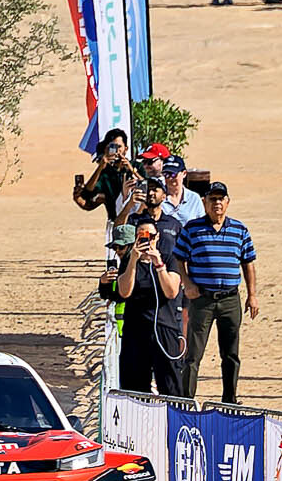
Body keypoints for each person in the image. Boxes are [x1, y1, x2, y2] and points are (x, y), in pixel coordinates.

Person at [178, 181, 259, 403]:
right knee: (193, 354)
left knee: (231, 354)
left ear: (228, 202)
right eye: (212, 199)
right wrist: (187, 283)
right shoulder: (192, 229)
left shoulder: (239, 230)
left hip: (230, 299)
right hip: (202, 300)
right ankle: (186, 400)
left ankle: (229, 400)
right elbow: (178, 258)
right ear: (205, 202)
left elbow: (248, 263)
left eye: (221, 199)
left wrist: (252, 295)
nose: (217, 203)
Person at [106, 201, 188, 397]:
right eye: (141, 237)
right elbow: (124, 292)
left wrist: (158, 265)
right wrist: (134, 260)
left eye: (150, 237)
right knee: (134, 387)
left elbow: (171, 292)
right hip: (136, 329)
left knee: (170, 385)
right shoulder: (129, 261)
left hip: (163, 327)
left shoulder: (168, 258)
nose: (146, 241)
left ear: (157, 237)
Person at [72, 127, 136, 237]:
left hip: (137, 223)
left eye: (119, 147)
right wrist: (101, 167)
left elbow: (146, 186)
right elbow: (88, 194)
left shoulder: (136, 167)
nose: (116, 151)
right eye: (112, 147)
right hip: (116, 226)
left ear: (126, 149)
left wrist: (131, 170)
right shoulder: (105, 174)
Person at [162, 155, 206, 224]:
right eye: (166, 174)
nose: (170, 178)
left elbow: (202, 223)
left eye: (174, 174)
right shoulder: (159, 198)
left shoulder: (194, 198)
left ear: (184, 174)